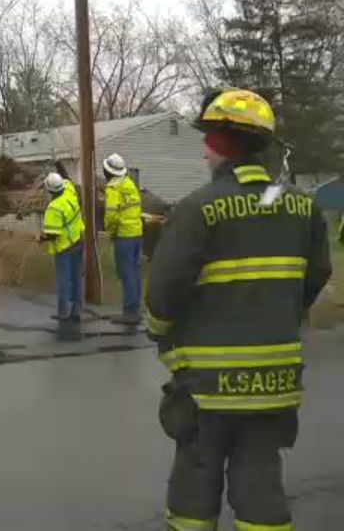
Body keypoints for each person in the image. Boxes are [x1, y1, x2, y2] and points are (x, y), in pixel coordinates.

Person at [145, 88, 332, 531]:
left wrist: (160, 331)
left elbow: (164, 294)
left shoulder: (198, 208)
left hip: (207, 384)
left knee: (196, 478)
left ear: (218, 144)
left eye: (207, 140)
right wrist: (284, 309)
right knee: (261, 480)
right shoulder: (303, 207)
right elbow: (317, 273)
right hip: (276, 379)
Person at [102, 153, 144, 325]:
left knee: (126, 273)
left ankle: (129, 312)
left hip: (124, 236)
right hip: (137, 234)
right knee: (134, 272)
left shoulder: (113, 188)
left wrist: (110, 231)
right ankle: (135, 308)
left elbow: (111, 215)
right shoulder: (129, 184)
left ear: (108, 171)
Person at [39, 172, 86, 322]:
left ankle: (63, 312)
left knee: (64, 280)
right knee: (77, 276)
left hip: (65, 247)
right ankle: (77, 309)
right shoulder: (70, 190)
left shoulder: (54, 208)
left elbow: (53, 234)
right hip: (78, 240)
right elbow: (67, 179)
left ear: (49, 190)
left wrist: (41, 238)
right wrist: (58, 164)